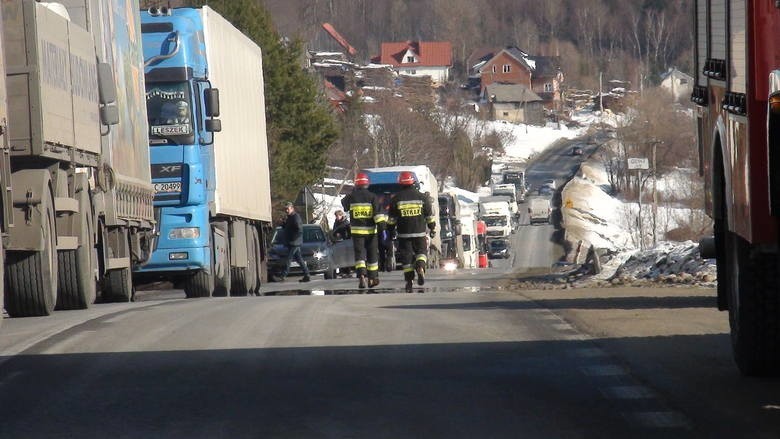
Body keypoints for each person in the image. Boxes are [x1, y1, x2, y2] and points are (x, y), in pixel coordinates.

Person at [386, 171, 436, 293]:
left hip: (403, 234)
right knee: (422, 252)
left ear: (400, 183)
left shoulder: (396, 199)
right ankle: (420, 266)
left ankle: (409, 281)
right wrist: (432, 228)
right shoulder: (422, 197)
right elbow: (429, 215)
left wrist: (391, 231)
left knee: (406, 258)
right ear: (413, 182)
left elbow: (392, 219)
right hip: (419, 233)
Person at [341, 172, 386, 289]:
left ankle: (361, 275)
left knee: (359, 256)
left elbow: (344, 203)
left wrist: (352, 193)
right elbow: (378, 215)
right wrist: (382, 229)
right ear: (367, 184)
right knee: (372, 256)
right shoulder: (372, 197)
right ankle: (372, 278)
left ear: (357, 184)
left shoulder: (351, 197)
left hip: (356, 233)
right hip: (371, 232)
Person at [275, 202, 310, 282]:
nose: (286, 210)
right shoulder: (290, 217)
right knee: (299, 259)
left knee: (288, 258)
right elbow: (288, 228)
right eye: (286, 209)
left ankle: (283, 275)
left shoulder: (295, 217)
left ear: (292, 208)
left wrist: (294, 238)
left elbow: (299, 229)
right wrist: (283, 224)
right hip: (293, 242)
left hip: (294, 242)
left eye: (288, 209)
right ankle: (307, 274)